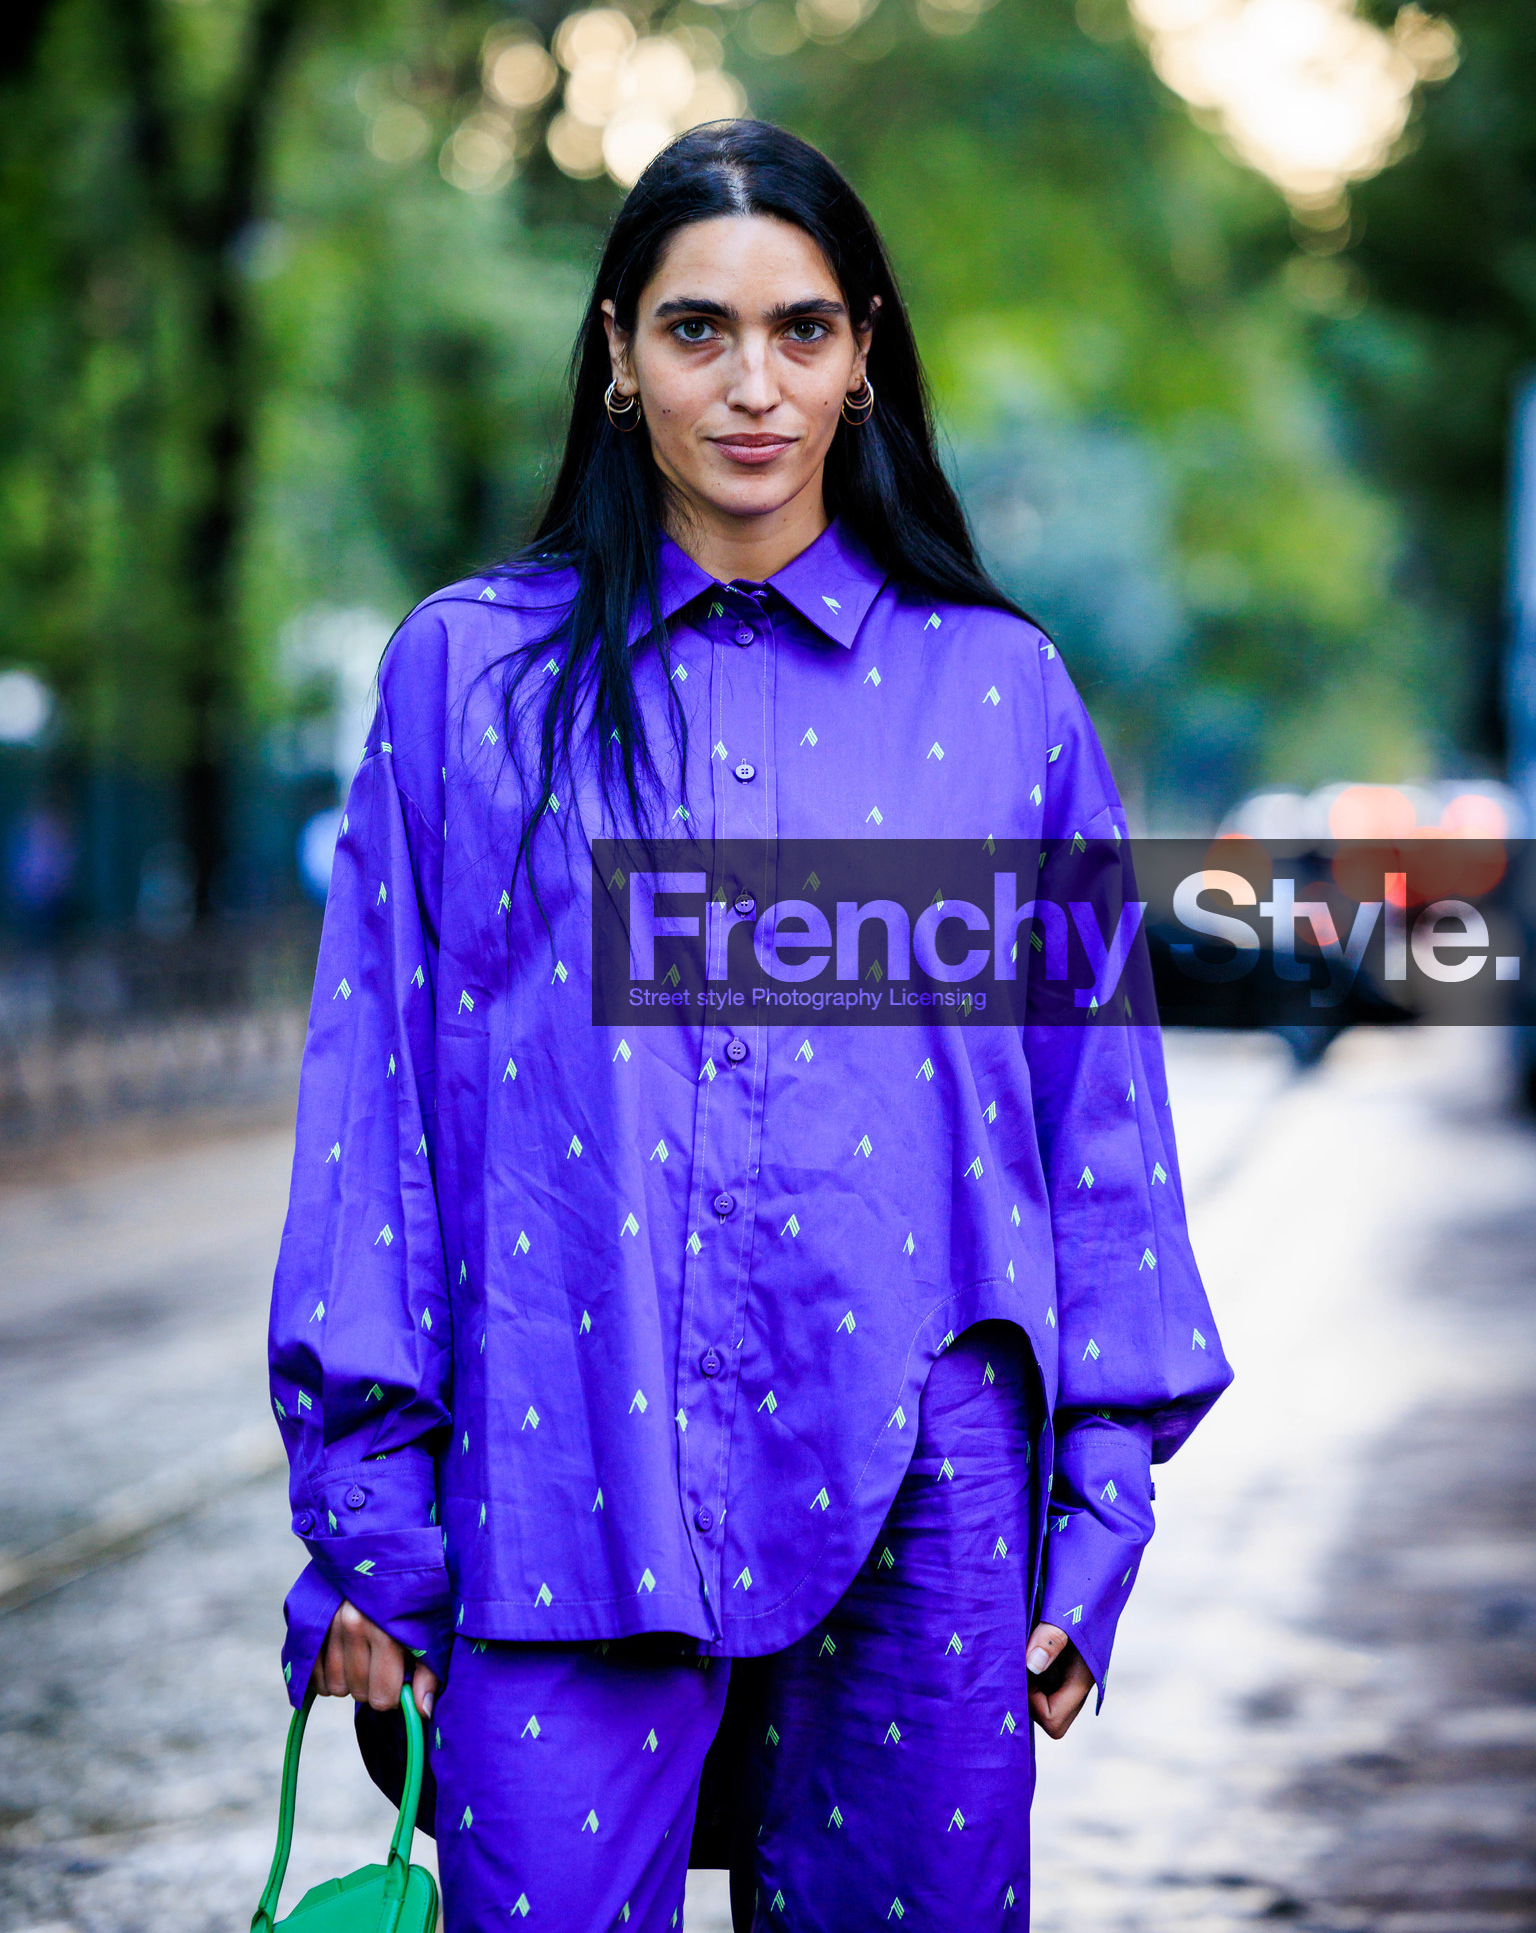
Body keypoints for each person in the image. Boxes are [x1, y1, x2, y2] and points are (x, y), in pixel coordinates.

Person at [267, 117, 1232, 1932]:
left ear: (866, 356)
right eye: (697, 330)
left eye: (802, 331)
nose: (754, 385)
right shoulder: (467, 681)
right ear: (619, 359)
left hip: (926, 1493)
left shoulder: (997, 693)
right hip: (560, 1465)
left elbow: (1096, 1129)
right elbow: (375, 1101)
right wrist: (370, 1529)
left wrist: (1094, 1514)